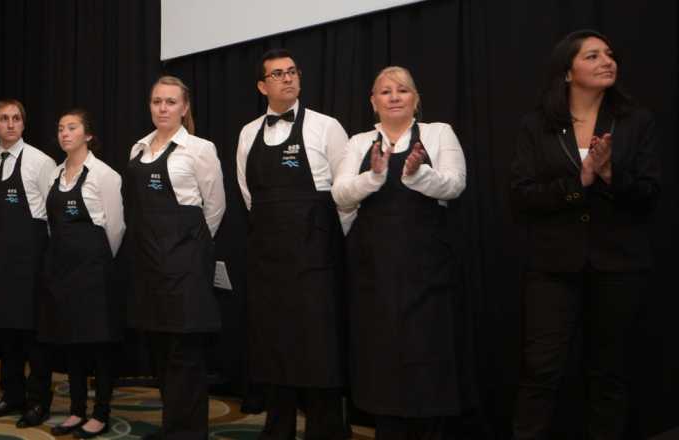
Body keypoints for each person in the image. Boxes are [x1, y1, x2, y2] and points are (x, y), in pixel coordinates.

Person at [510, 30, 660, 440]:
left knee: (609, 373)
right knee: (540, 371)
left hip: (620, 264)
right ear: (567, 71)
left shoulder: (636, 121)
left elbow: (650, 194)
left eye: (609, 54)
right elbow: (522, 196)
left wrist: (610, 174)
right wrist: (580, 182)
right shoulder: (537, 125)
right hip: (552, 266)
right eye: (592, 56)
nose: (606, 61)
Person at [333, 66, 468, 439]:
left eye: (403, 90)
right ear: (373, 102)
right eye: (385, 91)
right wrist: (374, 177)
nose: (394, 97)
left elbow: (455, 185)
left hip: (428, 270)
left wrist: (418, 174)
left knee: (427, 354)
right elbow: (340, 194)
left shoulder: (438, 133)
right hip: (374, 272)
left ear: (416, 99)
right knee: (382, 357)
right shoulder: (359, 142)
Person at [235, 48, 349, 440]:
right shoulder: (248, 133)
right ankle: (277, 429)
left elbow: (345, 194)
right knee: (273, 347)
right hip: (268, 261)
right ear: (261, 86)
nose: (287, 78)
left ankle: (326, 431)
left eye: (292, 71)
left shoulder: (327, 127)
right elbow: (249, 195)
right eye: (278, 74)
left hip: (315, 258)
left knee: (319, 349)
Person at [126, 75, 225, 440]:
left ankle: (188, 433)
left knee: (186, 356)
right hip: (149, 264)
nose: (163, 108)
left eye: (170, 102)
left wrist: (188, 248)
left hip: (185, 264)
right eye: (157, 102)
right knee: (160, 351)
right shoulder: (138, 149)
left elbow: (215, 207)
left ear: (184, 108)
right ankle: (172, 427)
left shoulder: (200, 149)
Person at [0, 99, 57, 428]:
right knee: (6, 334)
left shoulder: (40, 161)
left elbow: (52, 212)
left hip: (31, 260)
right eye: (4, 119)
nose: (10, 124)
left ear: (23, 124)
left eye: (16, 118)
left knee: (34, 337)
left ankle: (38, 401)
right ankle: (11, 396)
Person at [40, 109, 125, 438]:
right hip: (62, 270)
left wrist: (97, 261)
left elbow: (115, 228)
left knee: (99, 346)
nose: (64, 133)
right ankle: (76, 411)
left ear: (88, 135)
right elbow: (51, 225)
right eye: (61, 128)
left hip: (95, 271)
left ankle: (101, 413)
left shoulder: (105, 175)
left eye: (72, 127)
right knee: (71, 343)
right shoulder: (54, 174)